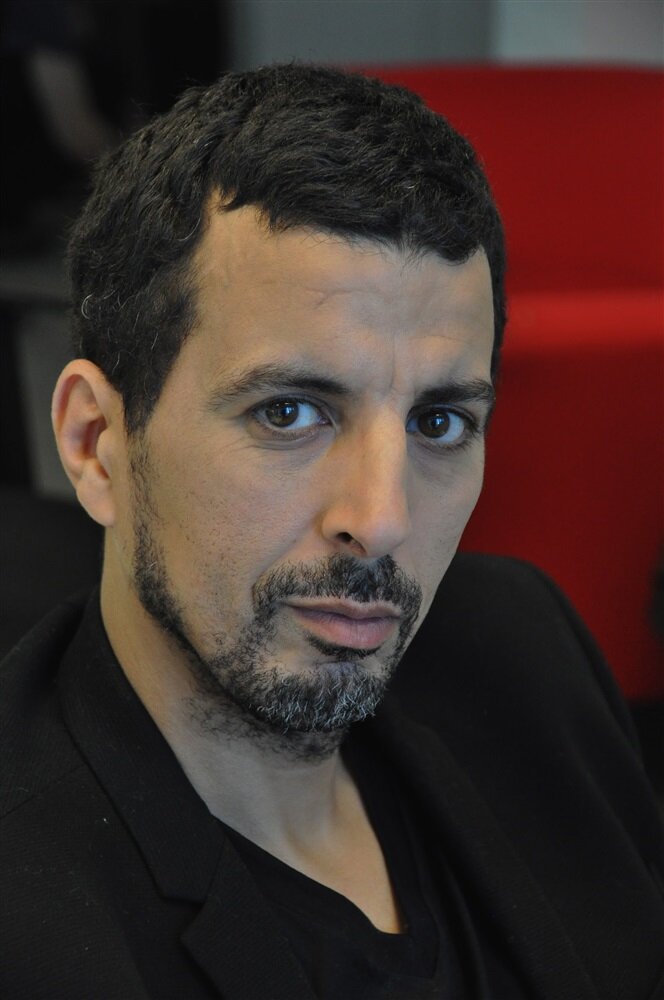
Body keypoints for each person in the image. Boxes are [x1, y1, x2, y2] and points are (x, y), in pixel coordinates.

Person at [1, 64, 663, 1000]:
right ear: (96, 444)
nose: (382, 520)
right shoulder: (34, 922)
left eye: (439, 422)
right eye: (289, 414)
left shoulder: (524, 648)